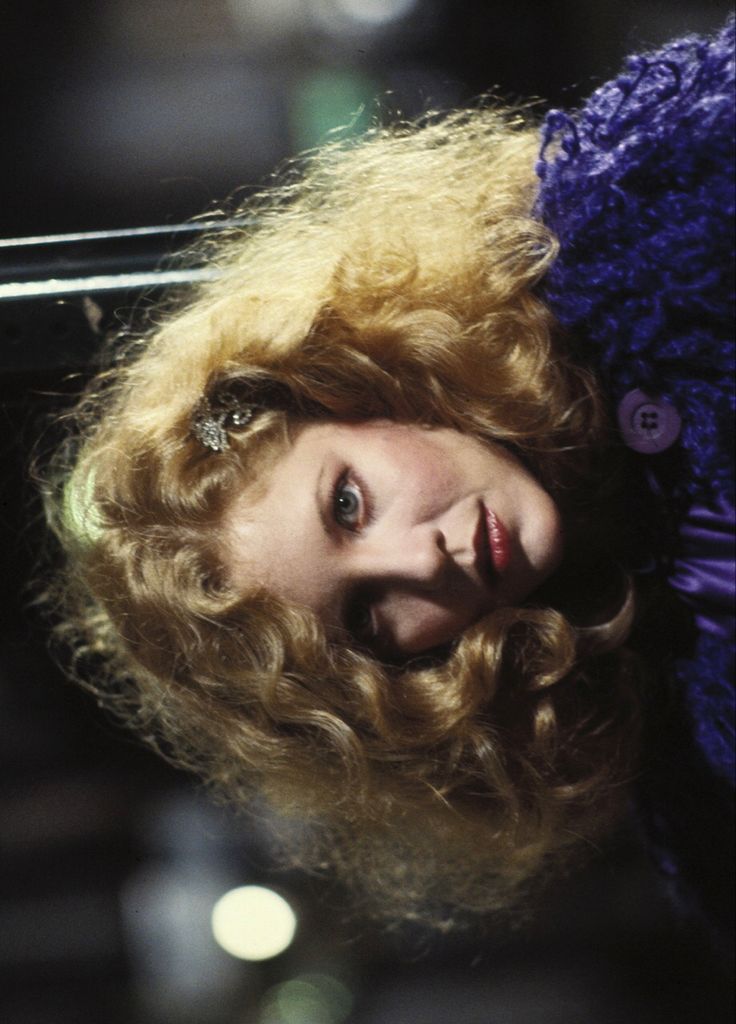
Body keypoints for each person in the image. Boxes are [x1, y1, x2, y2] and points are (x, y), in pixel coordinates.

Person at [42, 19, 734, 932]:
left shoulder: (644, 195)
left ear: (350, 387)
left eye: (349, 504)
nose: (419, 561)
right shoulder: (696, 788)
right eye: (368, 619)